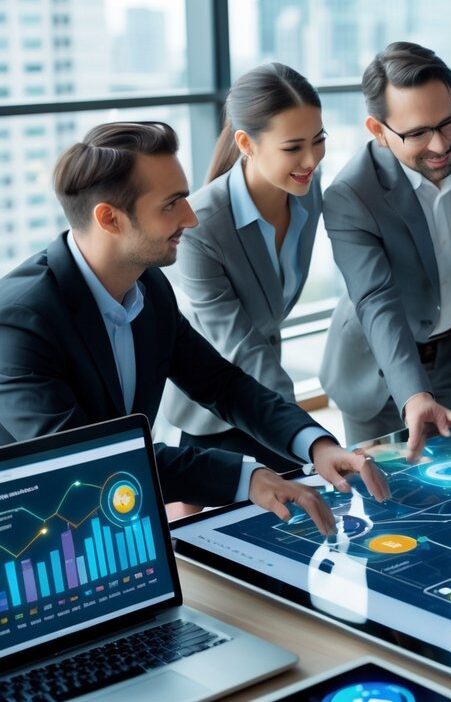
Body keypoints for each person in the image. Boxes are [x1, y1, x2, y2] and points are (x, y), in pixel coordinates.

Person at [0, 121, 389, 534]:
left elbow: (221, 384)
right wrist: (246, 476)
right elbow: (90, 456)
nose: (191, 217)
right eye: (171, 205)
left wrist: (317, 445)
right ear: (109, 219)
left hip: (115, 516)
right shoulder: (19, 320)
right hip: (32, 540)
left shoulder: (148, 285)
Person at [319, 42, 451, 452]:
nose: (441, 146)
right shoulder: (350, 195)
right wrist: (414, 394)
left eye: (448, 122)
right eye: (418, 133)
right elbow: (374, 299)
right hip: (376, 374)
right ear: (378, 132)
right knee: (389, 508)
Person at [163, 63, 327, 473]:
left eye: (319, 140)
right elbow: (241, 345)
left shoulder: (306, 191)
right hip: (214, 410)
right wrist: (306, 432)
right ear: (246, 144)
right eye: (293, 148)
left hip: (269, 398)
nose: (311, 159)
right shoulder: (199, 226)